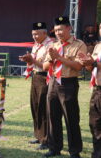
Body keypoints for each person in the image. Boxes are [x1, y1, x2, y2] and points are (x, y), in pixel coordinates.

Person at [42, 16, 87, 158]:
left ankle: (74, 151)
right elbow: (44, 66)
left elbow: (79, 66)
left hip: (69, 83)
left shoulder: (79, 45)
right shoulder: (53, 45)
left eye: (61, 29)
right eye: (56, 30)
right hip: (54, 82)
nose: (58, 33)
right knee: (53, 117)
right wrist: (51, 59)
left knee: (71, 118)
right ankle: (54, 148)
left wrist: (59, 58)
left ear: (69, 28)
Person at [19, 22, 52, 150]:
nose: (35, 36)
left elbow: (45, 65)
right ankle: (38, 136)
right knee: (35, 106)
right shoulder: (36, 45)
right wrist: (28, 60)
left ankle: (46, 139)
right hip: (36, 76)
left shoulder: (50, 45)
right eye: (33, 34)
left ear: (45, 33)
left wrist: (32, 60)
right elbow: (34, 63)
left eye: (37, 34)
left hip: (45, 77)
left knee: (44, 108)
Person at [79, 23, 101, 158]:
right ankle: (97, 153)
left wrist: (92, 63)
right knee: (95, 123)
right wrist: (87, 62)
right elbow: (91, 68)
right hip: (97, 89)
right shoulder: (98, 46)